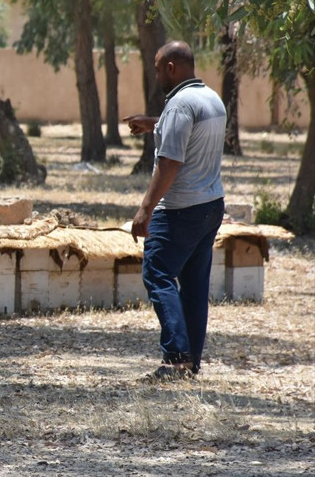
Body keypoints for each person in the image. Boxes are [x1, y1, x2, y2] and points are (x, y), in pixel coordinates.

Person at [123, 40, 226, 380]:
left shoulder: (180, 104)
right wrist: (153, 122)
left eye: (157, 69)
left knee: (158, 272)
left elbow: (169, 162)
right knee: (195, 286)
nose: (156, 76)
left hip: (179, 209)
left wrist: (145, 209)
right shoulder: (211, 98)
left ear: (171, 68)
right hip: (210, 206)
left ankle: (176, 357)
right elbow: (188, 129)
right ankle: (191, 362)